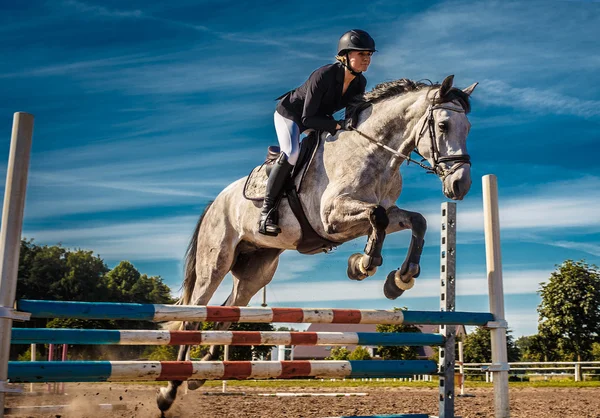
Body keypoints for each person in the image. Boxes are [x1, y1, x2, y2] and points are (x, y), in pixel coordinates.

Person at [258, 29, 376, 236]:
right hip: (291, 114)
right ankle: (266, 212)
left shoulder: (360, 82)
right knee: (292, 152)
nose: (367, 59)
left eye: (369, 55)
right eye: (361, 54)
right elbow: (307, 119)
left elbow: (350, 115)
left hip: (318, 117)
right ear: (346, 55)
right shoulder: (324, 75)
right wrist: (337, 126)